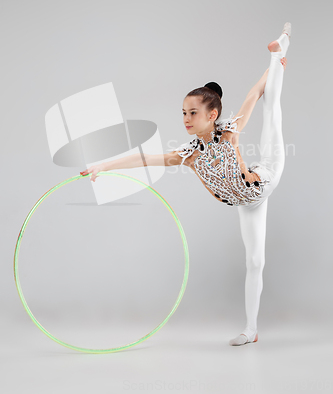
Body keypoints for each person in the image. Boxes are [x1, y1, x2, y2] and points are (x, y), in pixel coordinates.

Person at [80, 22, 291, 347]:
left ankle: (281, 50)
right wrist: (102, 165)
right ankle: (251, 330)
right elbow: (145, 158)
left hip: (266, 177)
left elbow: (253, 95)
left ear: (213, 114)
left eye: (193, 112)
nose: (186, 119)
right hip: (246, 204)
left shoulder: (228, 132)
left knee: (271, 111)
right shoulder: (189, 154)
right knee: (255, 261)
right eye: (183, 113)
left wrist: (272, 68)